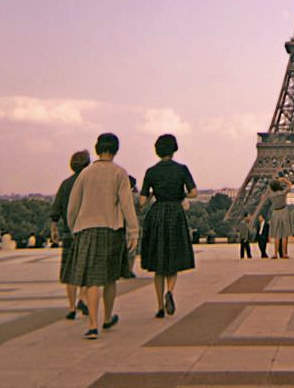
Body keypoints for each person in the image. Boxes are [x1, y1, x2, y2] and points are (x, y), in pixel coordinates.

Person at [65, 133, 138, 340]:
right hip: (111, 230)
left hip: (86, 230)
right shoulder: (119, 173)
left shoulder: (86, 173)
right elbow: (126, 205)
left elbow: (73, 206)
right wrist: (133, 231)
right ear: (115, 149)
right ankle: (107, 317)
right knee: (109, 278)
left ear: (97, 148)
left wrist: (74, 227)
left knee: (91, 280)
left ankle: (92, 325)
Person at [139, 134, 197, 318]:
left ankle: (159, 307)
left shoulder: (151, 171)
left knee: (158, 263)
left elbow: (142, 201)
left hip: (158, 213)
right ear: (174, 149)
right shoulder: (182, 170)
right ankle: (170, 291)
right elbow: (194, 192)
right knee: (172, 258)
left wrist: (150, 196)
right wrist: (181, 196)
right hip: (175, 212)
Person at [50, 149, 91, 319]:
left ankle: (71, 307)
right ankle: (83, 297)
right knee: (87, 269)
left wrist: (53, 227)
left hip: (68, 231)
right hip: (87, 230)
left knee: (69, 270)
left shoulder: (65, 184)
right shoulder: (89, 183)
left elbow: (56, 208)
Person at [268, 176, 293, 258]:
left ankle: (275, 253)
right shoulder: (283, 193)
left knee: (277, 235)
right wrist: (283, 180)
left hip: (275, 213)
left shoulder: (271, 196)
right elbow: (290, 185)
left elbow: (270, 189)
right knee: (284, 235)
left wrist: (275, 183)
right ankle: (285, 253)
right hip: (284, 212)